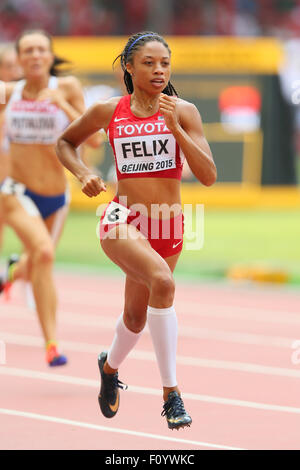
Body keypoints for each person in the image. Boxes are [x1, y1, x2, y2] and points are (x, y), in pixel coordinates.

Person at [56, 31, 217, 429]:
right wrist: (83, 174)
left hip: (167, 222)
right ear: (129, 67)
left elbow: (209, 176)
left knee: (135, 316)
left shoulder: (185, 111)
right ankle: (172, 394)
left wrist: (175, 129)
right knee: (162, 282)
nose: (158, 70)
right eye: (148, 62)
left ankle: (108, 369)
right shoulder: (109, 110)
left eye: (164, 63)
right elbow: (64, 142)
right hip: (122, 218)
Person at [0, 29, 99, 366]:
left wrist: (66, 106)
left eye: (41, 49)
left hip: (57, 196)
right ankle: (52, 344)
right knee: (43, 254)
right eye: (28, 50)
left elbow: (97, 141)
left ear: (50, 55)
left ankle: (12, 273)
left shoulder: (67, 88)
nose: (35, 55)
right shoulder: (8, 93)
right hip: (16, 191)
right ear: (19, 58)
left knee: (38, 261)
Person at [0, 44, 23, 252]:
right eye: (9, 66)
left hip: (15, 183)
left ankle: (15, 272)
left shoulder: (23, 101)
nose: (16, 72)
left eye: (17, 66)